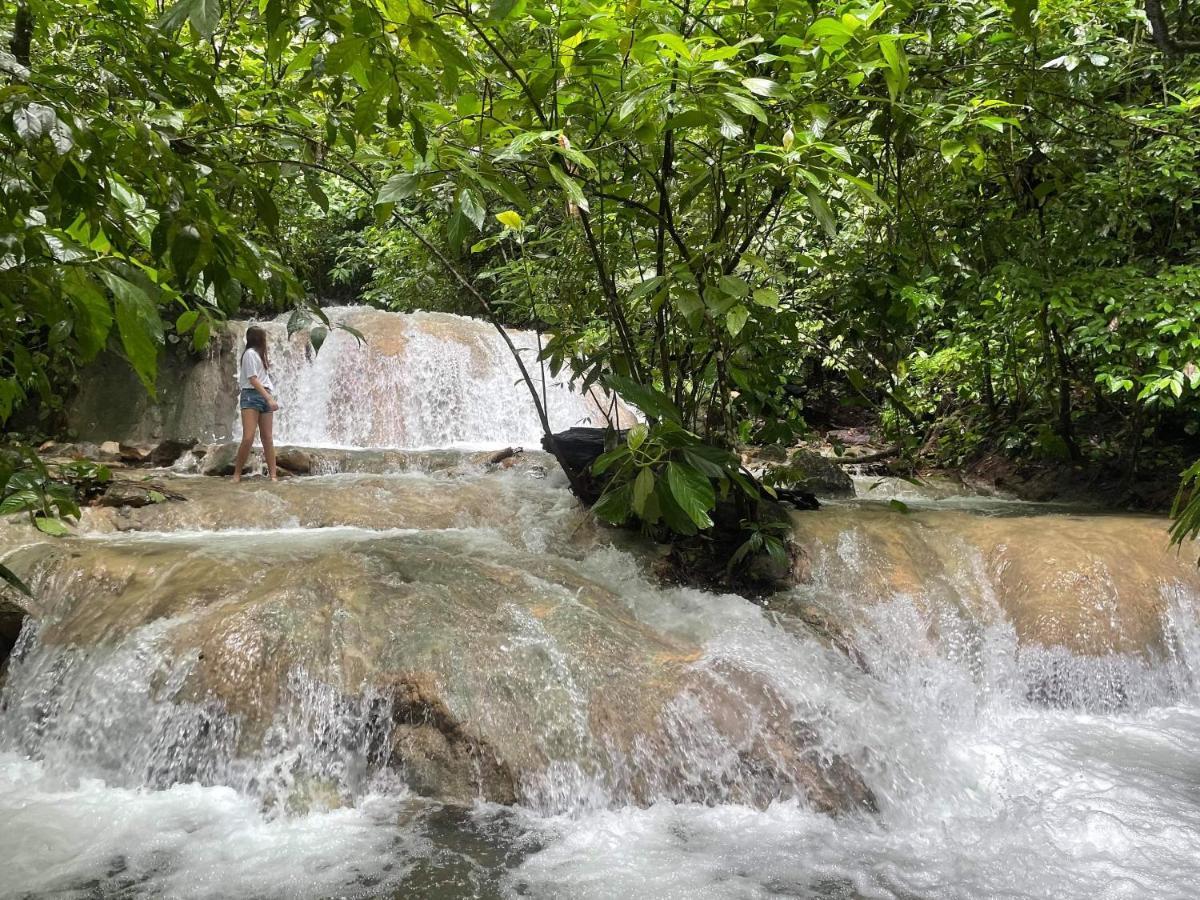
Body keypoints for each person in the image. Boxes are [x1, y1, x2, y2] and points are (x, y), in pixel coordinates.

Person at [233, 325, 279, 482]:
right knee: (248, 437)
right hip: (252, 396)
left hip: (264, 394)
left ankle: (273, 475)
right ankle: (237, 474)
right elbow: (253, 380)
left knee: (267, 437)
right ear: (259, 339)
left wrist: (268, 396)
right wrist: (269, 398)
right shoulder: (250, 354)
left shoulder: (259, 355)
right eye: (264, 337)